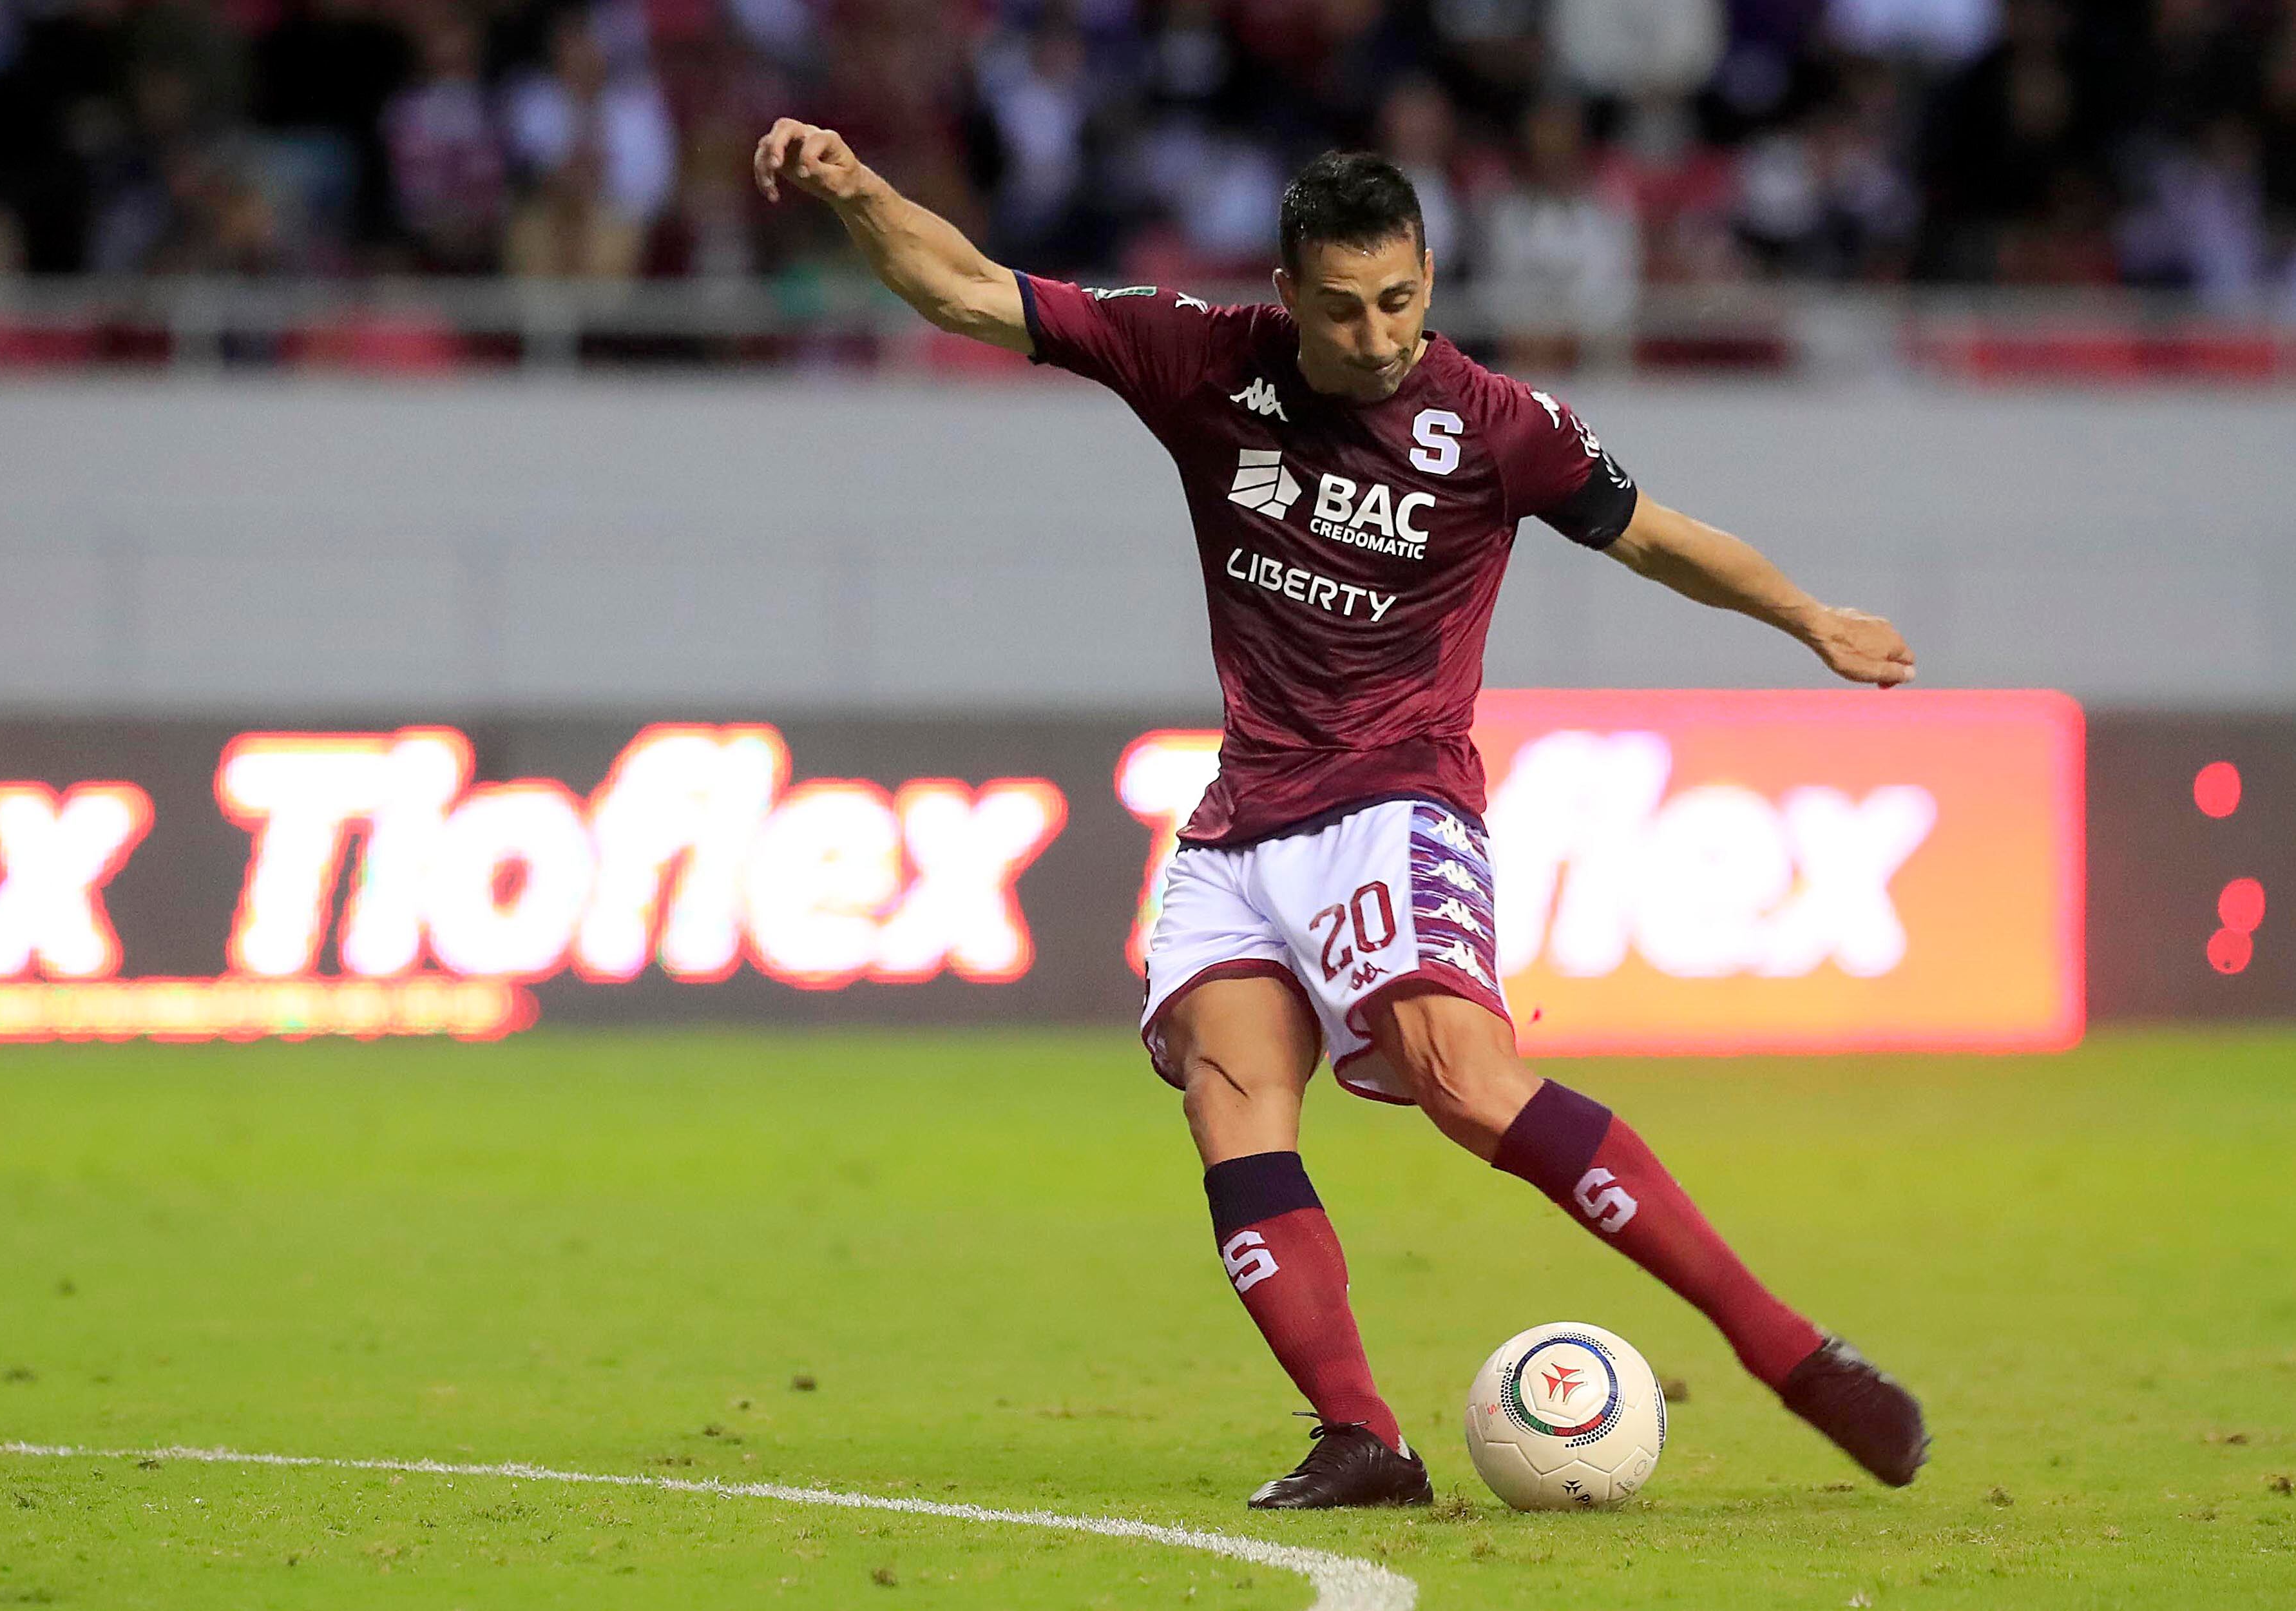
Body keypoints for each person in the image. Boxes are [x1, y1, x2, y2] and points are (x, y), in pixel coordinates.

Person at [753, 117, 1929, 1510]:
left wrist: (1805, 616)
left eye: (1400, 299)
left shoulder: (1499, 427)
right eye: (1342, 306)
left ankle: (1784, 1346)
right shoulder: (1199, 356)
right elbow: (964, 288)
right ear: (1287, 289)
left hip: (1398, 796)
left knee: (1465, 1080)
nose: (1376, 335)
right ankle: (1362, 1434)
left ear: (1428, 276)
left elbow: (1660, 534)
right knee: (1230, 1093)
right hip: (1242, 817)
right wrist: (857, 185)